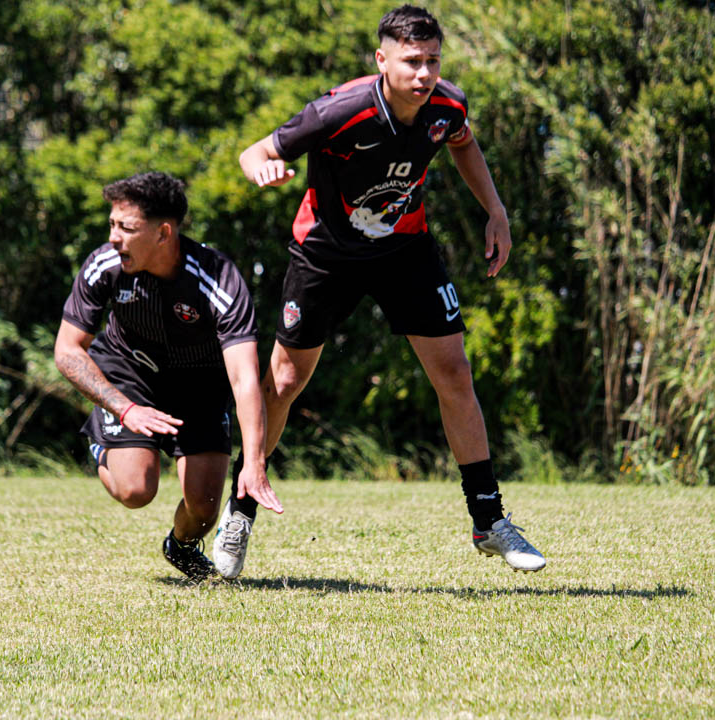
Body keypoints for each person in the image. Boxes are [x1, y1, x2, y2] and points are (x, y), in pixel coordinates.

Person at [213, 4, 545, 578]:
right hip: (326, 253)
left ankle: (489, 521)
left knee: (455, 373)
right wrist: (262, 169)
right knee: (284, 381)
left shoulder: (447, 105)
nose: (425, 73)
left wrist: (496, 211)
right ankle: (240, 510)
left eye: (433, 60)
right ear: (382, 61)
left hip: (404, 250)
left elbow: (462, 142)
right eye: (412, 61)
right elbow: (255, 151)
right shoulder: (339, 111)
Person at [54, 172, 283, 582]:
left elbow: (245, 378)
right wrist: (124, 409)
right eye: (112, 225)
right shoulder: (105, 265)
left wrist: (253, 462)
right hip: (129, 373)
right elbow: (68, 350)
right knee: (135, 490)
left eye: (126, 228)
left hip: (199, 384)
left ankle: (180, 545)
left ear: (163, 233)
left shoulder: (218, 279)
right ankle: (102, 438)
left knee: (204, 507)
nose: (113, 238)